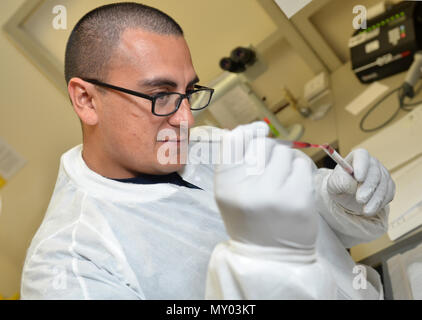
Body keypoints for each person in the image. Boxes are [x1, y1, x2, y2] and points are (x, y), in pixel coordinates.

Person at [20, 2, 395, 299]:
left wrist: (338, 201)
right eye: (161, 95)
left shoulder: (209, 145)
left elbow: (313, 220)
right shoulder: (69, 266)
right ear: (86, 99)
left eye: (188, 93)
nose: (186, 119)